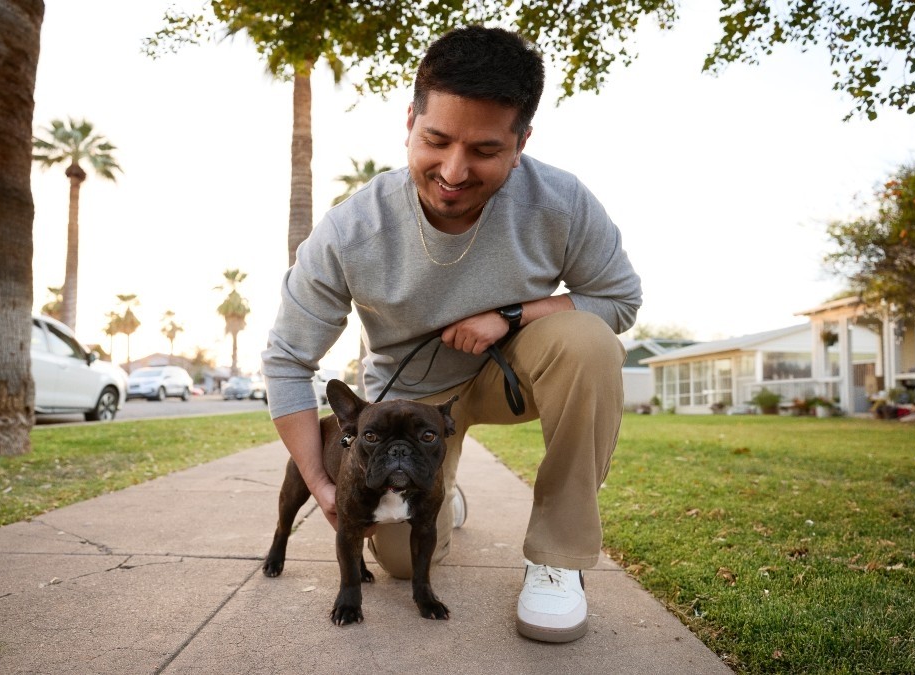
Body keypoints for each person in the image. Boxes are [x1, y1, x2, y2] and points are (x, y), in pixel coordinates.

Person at [261, 25, 642, 643]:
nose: (454, 171)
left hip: (512, 373)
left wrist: (511, 316)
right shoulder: (351, 229)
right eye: (436, 141)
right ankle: (446, 486)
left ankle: (558, 558)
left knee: (590, 343)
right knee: (402, 563)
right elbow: (286, 360)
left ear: (521, 144)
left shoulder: (561, 201)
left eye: (485, 150)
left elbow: (618, 300)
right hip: (412, 403)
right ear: (410, 121)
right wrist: (322, 484)